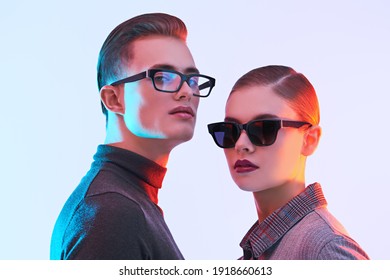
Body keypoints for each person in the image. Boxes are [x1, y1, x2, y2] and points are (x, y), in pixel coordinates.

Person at [50, 13, 215, 260]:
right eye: (162, 77)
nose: (186, 92)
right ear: (113, 99)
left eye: (191, 79)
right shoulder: (112, 211)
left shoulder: (128, 200)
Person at [207, 65, 369, 260]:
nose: (240, 144)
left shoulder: (327, 250)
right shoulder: (256, 255)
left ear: (310, 139)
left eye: (264, 128)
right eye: (229, 130)